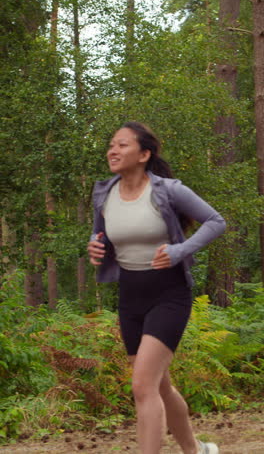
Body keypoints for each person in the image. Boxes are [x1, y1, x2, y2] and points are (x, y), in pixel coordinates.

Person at [87, 121, 226, 454]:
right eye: (111, 144)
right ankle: (196, 450)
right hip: (130, 295)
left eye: (122, 145)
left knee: (142, 385)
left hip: (169, 293)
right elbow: (100, 235)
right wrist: (95, 246)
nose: (113, 150)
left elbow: (215, 221)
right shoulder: (104, 192)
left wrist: (179, 251)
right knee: (160, 386)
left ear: (144, 154)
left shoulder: (167, 190)